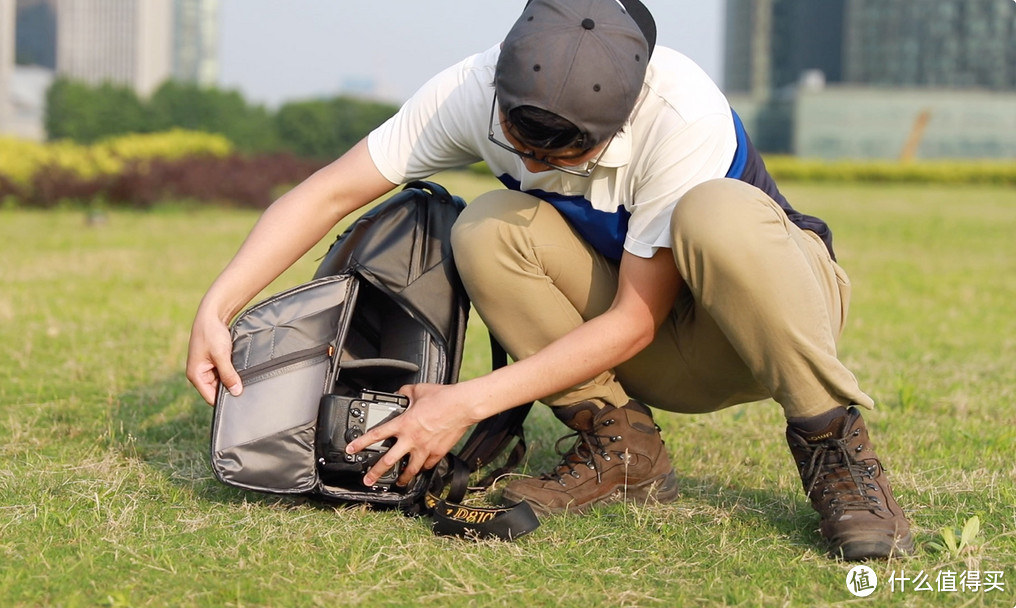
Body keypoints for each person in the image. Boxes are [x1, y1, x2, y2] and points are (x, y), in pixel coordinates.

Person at [186, 0, 913, 560]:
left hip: (764, 327)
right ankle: (623, 450)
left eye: (563, 156)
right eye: (519, 141)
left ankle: (831, 442)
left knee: (716, 213)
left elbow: (634, 317)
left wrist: (464, 403)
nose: (534, 167)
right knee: (488, 223)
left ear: (623, 116)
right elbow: (326, 192)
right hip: (649, 351)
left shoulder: (680, 111)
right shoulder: (468, 90)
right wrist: (218, 305)